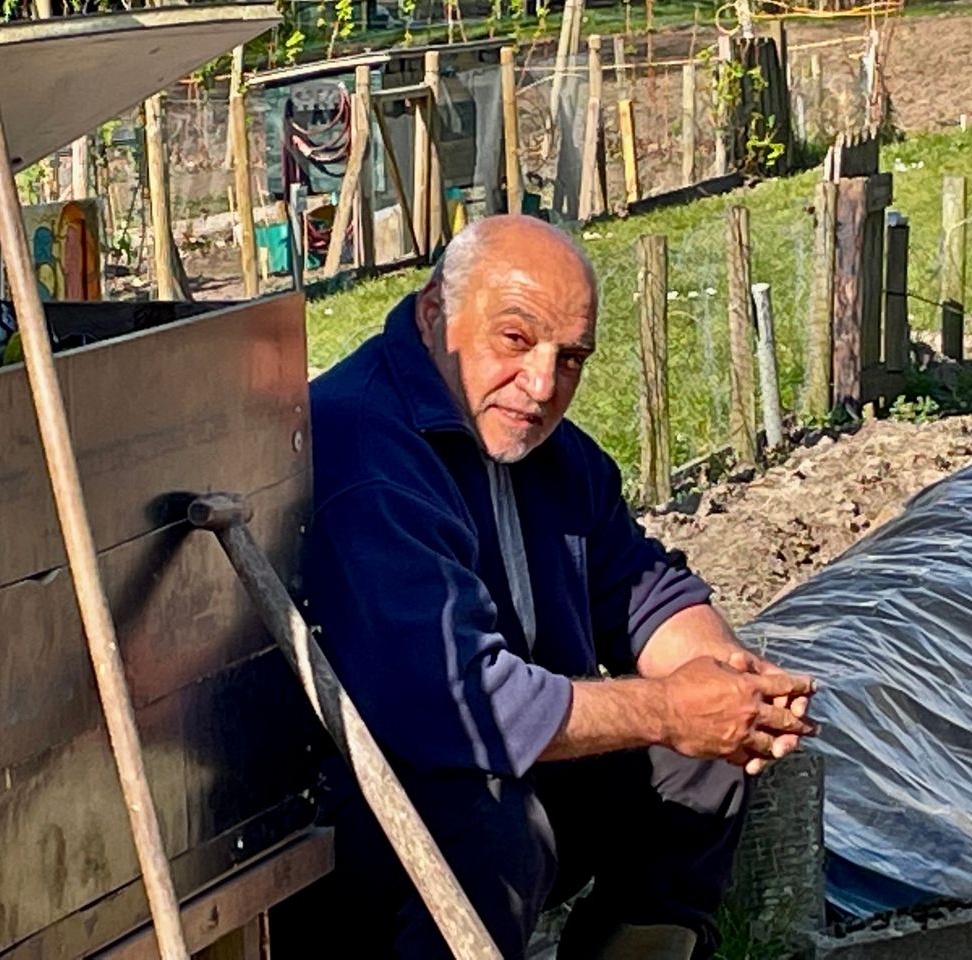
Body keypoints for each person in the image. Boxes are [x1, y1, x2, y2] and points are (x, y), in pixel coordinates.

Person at [300, 215, 817, 960]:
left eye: (571, 358)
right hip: (362, 803)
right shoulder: (366, 451)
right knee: (490, 832)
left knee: (708, 758)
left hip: (510, 761)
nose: (542, 385)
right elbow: (458, 705)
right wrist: (670, 708)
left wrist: (740, 690)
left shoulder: (553, 454)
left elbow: (640, 587)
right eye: (515, 340)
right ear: (433, 313)